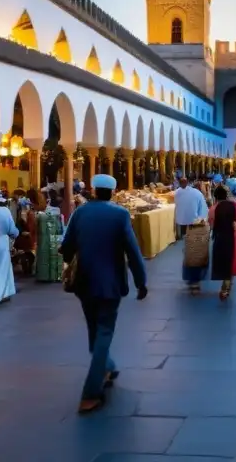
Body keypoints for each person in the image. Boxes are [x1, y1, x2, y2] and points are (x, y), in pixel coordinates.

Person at [60, 174, 148, 414]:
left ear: (93, 190)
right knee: (105, 331)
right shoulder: (119, 214)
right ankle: (90, 392)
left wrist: (74, 258)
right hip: (109, 284)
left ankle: (107, 365)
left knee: (93, 329)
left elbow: (66, 246)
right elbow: (132, 250)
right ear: (112, 191)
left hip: (84, 282)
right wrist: (141, 281)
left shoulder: (81, 213)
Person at [175, 177, 209, 292]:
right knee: (196, 250)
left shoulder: (178, 192)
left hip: (185, 225)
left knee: (189, 251)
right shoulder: (197, 194)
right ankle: (196, 279)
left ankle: (191, 278)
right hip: (196, 225)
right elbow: (203, 212)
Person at [210, 185, 236, 299]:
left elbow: (211, 224)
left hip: (219, 238)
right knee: (231, 262)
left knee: (223, 262)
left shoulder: (213, 208)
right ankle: (226, 286)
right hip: (233, 236)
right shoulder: (235, 205)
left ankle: (226, 286)